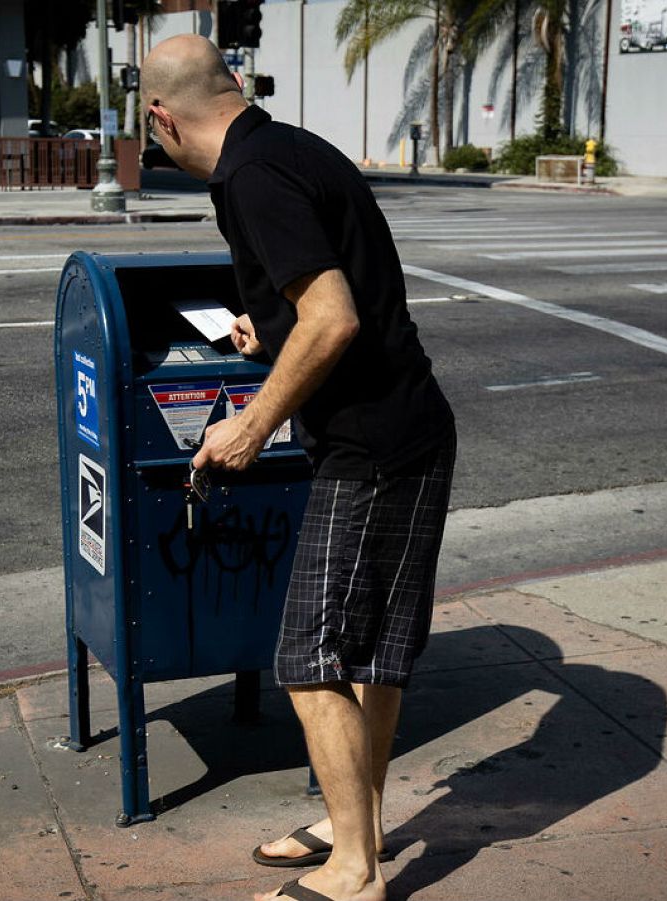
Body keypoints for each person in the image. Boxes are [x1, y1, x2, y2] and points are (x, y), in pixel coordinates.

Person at [140, 34, 456, 901]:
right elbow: (317, 304)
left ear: (160, 116)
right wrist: (266, 333)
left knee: (309, 658)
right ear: (233, 85)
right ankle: (362, 821)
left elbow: (334, 318)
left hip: (370, 448)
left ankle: (355, 871)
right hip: (414, 425)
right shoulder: (291, 147)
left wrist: (248, 426)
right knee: (377, 655)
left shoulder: (246, 178)